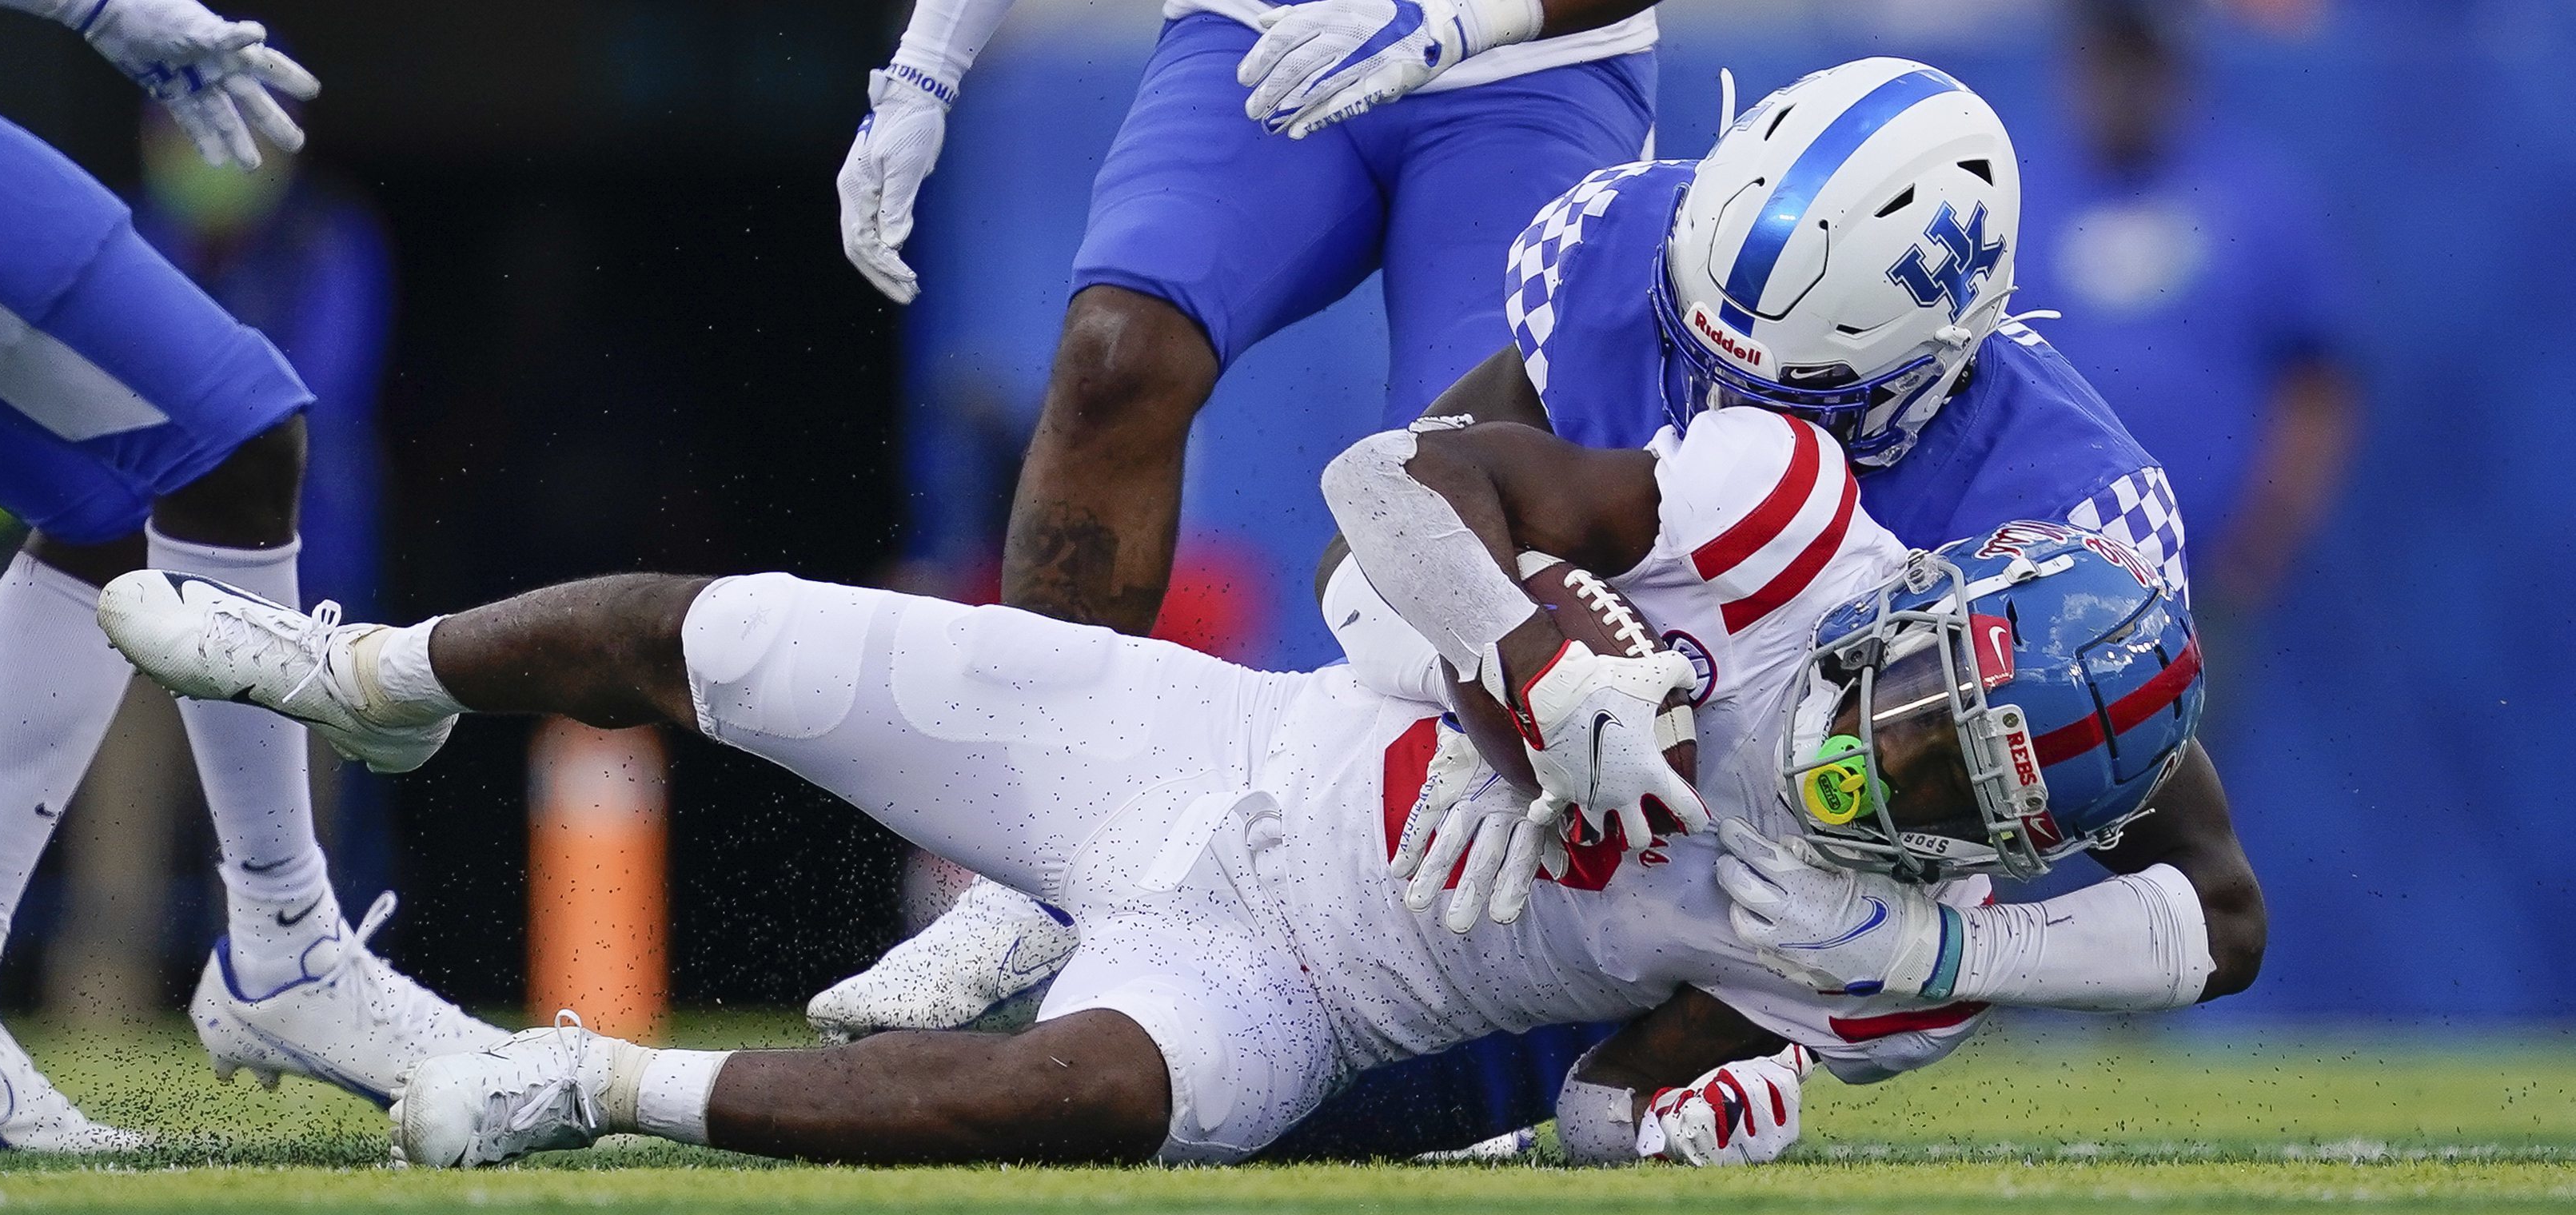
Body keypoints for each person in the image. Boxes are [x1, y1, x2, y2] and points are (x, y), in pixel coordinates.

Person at [94, 401, 2261, 1172]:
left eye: (1925, 787)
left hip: (1313, 1001)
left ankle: (589, 1085)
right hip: (1222, 743)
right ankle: (373, 673)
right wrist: (1516, 658)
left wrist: (1698, 1096)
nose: (1868, 757)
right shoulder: (1778, 517)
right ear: (1923, 596)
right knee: (736, 633)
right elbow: (1381, 489)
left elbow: (1598, 1089)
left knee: (1082, 1109)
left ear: (2000, 842)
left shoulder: (1891, 961)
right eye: (1903, 702)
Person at [843, 57, 2212, 1145]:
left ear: (1927, 372)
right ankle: (1042, 885)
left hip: (1765, 908)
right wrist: (1505, 689)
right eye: (1694, 345)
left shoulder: (2064, 525)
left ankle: (1649, 1082)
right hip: (1527, 809)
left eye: (1778, 389)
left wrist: (1936, 941)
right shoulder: (1622, 260)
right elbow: (1373, 540)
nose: (1718, 405)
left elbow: (2217, 911)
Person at [812, 0, 1663, 1042]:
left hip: (1529, 63)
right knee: (1117, 353)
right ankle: (1029, 872)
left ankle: (1455, 962)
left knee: (1477, 466)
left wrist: (1457, 18)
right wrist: (924, 71)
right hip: (1268, 32)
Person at [0, 0, 500, 1149]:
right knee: (228, 431)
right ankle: (287, 948)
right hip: (224, 597)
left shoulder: (328, 243)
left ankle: (286, 942)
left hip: (286, 587)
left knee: (120, 487)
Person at [2013, 0, 2359, 731]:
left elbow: (2318, 385)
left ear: (2179, 71)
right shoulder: (2017, 198)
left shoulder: (2256, 196)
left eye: (2142, 63)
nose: (2124, 85)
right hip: (2041, 584)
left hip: (2199, 582)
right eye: (2109, 62)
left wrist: (2261, 548)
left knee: (2184, 812)